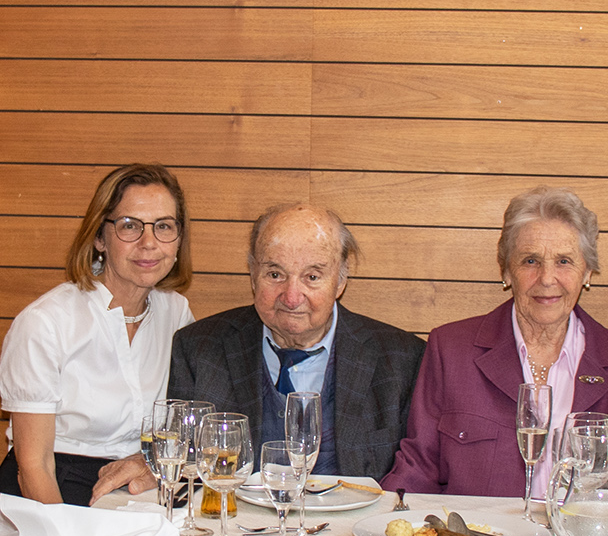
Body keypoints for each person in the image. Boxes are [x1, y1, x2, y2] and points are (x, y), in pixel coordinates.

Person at [0, 164, 195, 536]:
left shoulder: (177, 313)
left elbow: (185, 424)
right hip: (50, 495)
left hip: (134, 494)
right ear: (100, 237)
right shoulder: (45, 323)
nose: (149, 243)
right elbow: (33, 466)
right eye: (130, 226)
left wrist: (152, 465)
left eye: (164, 226)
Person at [384, 186, 608, 499]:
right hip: (479, 530)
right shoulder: (452, 350)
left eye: (564, 261)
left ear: (587, 273)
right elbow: (418, 467)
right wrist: (389, 515)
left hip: (580, 530)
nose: (547, 278)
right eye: (530, 261)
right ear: (506, 271)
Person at [162, 203, 424, 478]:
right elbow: (184, 470)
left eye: (312, 277)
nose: (291, 297)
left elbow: (414, 478)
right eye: (275, 275)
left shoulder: (402, 361)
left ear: (340, 281)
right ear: (253, 274)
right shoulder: (198, 348)